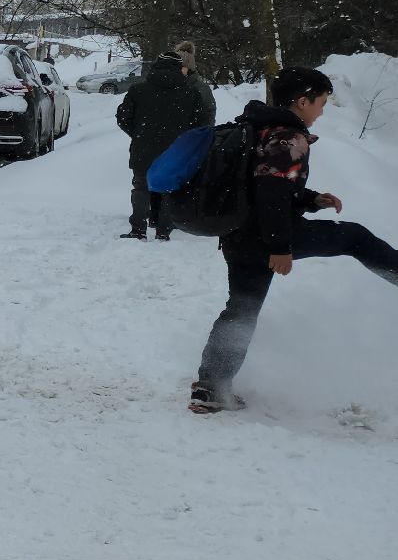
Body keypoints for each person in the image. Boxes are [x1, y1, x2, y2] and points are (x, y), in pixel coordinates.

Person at [190, 67, 398, 413]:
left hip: (238, 235)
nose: (322, 111)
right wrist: (279, 248)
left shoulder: (257, 126)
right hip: (267, 235)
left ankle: (211, 387)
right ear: (302, 101)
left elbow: (259, 184)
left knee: (241, 310)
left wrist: (311, 198)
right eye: (321, 103)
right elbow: (270, 193)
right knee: (355, 237)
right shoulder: (289, 137)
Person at [114, 51, 215, 239]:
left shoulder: (138, 90)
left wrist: (138, 134)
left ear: (156, 65)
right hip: (176, 150)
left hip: (143, 147)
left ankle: (138, 229)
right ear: (180, 68)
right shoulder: (191, 93)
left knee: (141, 187)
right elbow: (201, 123)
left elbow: (123, 118)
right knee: (170, 189)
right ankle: (164, 230)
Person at [174, 40, 216, 114]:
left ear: (189, 68)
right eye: (175, 66)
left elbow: (209, 112)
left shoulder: (202, 88)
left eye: (182, 67)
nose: (177, 69)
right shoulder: (167, 84)